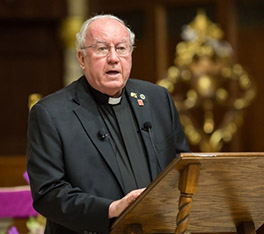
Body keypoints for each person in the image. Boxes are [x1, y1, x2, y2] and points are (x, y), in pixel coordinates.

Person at [27, 14, 190, 234]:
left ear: (130, 54)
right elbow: (48, 194)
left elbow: (182, 167)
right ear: (82, 58)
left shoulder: (156, 99)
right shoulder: (51, 113)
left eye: (121, 48)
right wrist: (111, 209)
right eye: (102, 49)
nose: (114, 58)